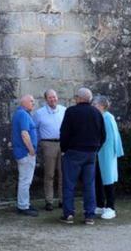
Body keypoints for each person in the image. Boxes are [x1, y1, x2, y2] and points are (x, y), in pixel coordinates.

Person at [59, 88, 106, 225]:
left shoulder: (71, 112)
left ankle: (68, 214)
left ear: (79, 98)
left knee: (69, 184)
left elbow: (64, 133)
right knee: (89, 185)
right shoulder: (97, 113)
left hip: (73, 152)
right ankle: (89, 215)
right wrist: (96, 149)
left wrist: (64, 149)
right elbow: (103, 135)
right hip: (91, 154)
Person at [33, 89, 66, 211]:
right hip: (48, 144)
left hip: (63, 143)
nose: (53, 99)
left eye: (54, 97)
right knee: (49, 174)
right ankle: (49, 201)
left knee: (63, 173)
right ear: (46, 99)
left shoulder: (64, 110)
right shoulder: (39, 113)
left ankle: (63, 200)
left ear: (57, 97)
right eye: (50, 98)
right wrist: (38, 144)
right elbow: (35, 130)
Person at [93, 96, 124, 220]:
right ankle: (100, 205)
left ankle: (111, 207)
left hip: (106, 152)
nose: (93, 105)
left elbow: (109, 138)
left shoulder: (107, 118)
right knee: (99, 179)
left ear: (101, 105)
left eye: (95, 103)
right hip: (101, 153)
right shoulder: (102, 117)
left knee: (108, 179)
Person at [12, 95, 39, 216]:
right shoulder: (23, 114)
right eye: (31, 101)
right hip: (25, 152)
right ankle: (23, 206)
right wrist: (31, 149)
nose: (33, 103)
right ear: (24, 103)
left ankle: (24, 203)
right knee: (25, 180)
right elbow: (24, 134)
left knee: (25, 180)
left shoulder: (22, 113)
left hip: (23, 152)